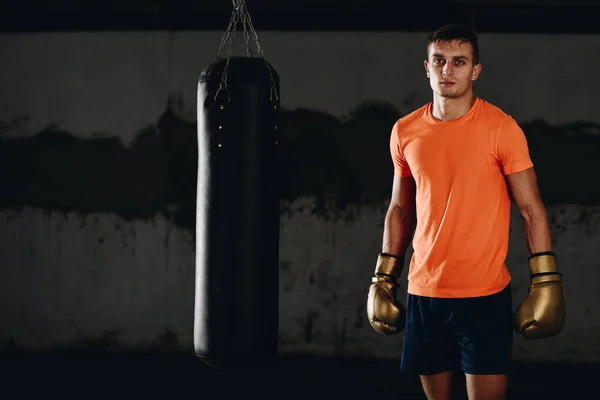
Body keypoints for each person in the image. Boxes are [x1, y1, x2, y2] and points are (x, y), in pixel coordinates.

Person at [366, 24, 566, 400]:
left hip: (484, 294)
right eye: (439, 61)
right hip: (425, 292)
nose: (448, 70)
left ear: (475, 70)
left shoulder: (501, 129)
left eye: (459, 62)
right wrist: (384, 276)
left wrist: (546, 280)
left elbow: (531, 208)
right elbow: (399, 207)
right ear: (426, 67)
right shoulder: (405, 131)